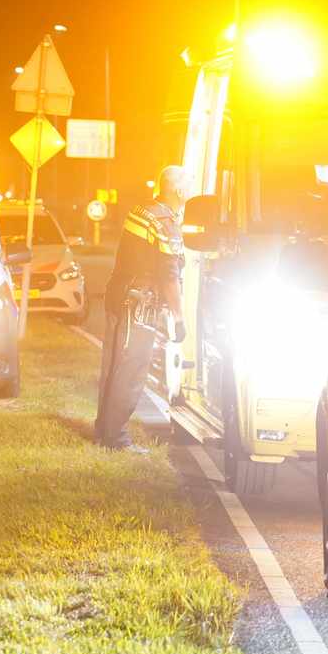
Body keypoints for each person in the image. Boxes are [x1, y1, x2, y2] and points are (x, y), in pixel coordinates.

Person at [95, 165, 190, 453]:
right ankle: (116, 439)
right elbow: (169, 276)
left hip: (118, 294)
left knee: (113, 367)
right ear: (179, 190)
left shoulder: (142, 210)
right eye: (189, 185)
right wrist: (179, 317)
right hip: (140, 304)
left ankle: (104, 431)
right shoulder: (165, 223)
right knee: (132, 371)